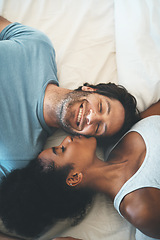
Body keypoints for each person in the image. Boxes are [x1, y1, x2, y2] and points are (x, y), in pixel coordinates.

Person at [0, 16, 140, 182]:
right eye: (101, 107)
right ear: (91, 89)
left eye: (98, 128)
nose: (92, 117)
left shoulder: (19, 155)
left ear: (86, 137)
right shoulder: (39, 46)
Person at [0, 101, 160, 240]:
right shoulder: (140, 209)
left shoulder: (114, 137)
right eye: (61, 149)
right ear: (74, 177)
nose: (67, 139)